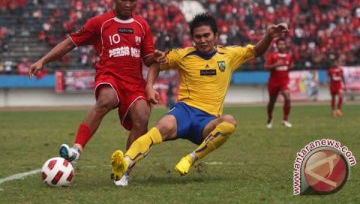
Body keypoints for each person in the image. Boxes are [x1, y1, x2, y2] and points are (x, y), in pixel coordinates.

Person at [110, 13, 289, 186]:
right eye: (198, 37)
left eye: (206, 35)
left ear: (216, 35)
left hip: (207, 121)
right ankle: (124, 166)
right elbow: (157, 63)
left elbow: (257, 51)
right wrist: (149, 86)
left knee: (229, 122)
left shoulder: (229, 55)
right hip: (184, 112)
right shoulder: (183, 55)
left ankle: (191, 158)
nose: (203, 40)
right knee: (161, 127)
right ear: (192, 38)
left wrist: (269, 36)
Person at [28, 0, 164, 185]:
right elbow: (70, 43)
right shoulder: (99, 23)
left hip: (134, 83)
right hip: (109, 76)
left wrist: (157, 57)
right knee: (106, 99)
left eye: (133, 0)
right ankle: (76, 150)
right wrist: (43, 60)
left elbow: (147, 59)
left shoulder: (142, 25)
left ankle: (124, 170)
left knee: (142, 117)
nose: (128, 4)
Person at [264, 38, 293, 129]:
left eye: (283, 44)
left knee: (287, 98)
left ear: (285, 45)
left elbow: (290, 66)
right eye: (280, 44)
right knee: (272, 102)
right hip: (273, 82)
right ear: (277, 46)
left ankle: (285, 119)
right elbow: (266, 67)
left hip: (284, 82)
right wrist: (276, 65)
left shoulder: (288, 56)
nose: (282, 46)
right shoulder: (273, 56)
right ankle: (270, 118)